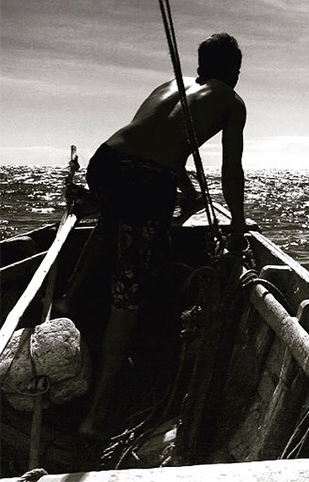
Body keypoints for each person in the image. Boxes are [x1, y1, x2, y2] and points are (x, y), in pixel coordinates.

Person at [70, 32, 247, 439]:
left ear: (200, 66)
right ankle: (95, 416)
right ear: (235, 71)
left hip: (106, 162)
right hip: (147, 183)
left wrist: (188, 193)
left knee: (112, 221)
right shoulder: (232, 102)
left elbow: (156, 145)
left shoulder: (169, 85)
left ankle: (68, 297)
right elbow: (231, 170)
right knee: (128, 292)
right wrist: (237, 227)